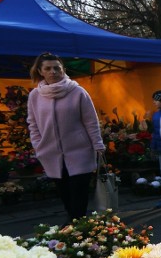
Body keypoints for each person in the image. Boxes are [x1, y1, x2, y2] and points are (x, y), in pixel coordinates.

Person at [26, 52, 105, 223]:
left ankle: (78, 227)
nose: (53, 71)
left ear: (63, 69)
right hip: (51, 154)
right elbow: (32, 124)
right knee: (65, 195)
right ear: (40, 71)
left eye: (57, 68)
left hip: (80, 152)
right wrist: (38, 146)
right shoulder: (34, 96)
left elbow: (91, 121)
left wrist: (98, 144)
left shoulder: (77, 92)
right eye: (48, 68)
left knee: (79, 194)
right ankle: (74, 225)